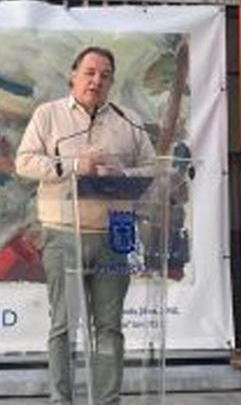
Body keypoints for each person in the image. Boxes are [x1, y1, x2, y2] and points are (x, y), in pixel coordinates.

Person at [15, 46, 156, 405]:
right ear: (73, 75)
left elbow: (153, 168)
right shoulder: (48, 115)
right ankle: (61, 400)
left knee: (109, 328)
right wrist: (73, 166)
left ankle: (107, 400)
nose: (97, 80)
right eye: (90, 72)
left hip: (114, 234)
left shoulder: (129, 120)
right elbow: (25, 163)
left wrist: (122, 173)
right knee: (63, 327)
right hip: (64, 234)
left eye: (105, 75)